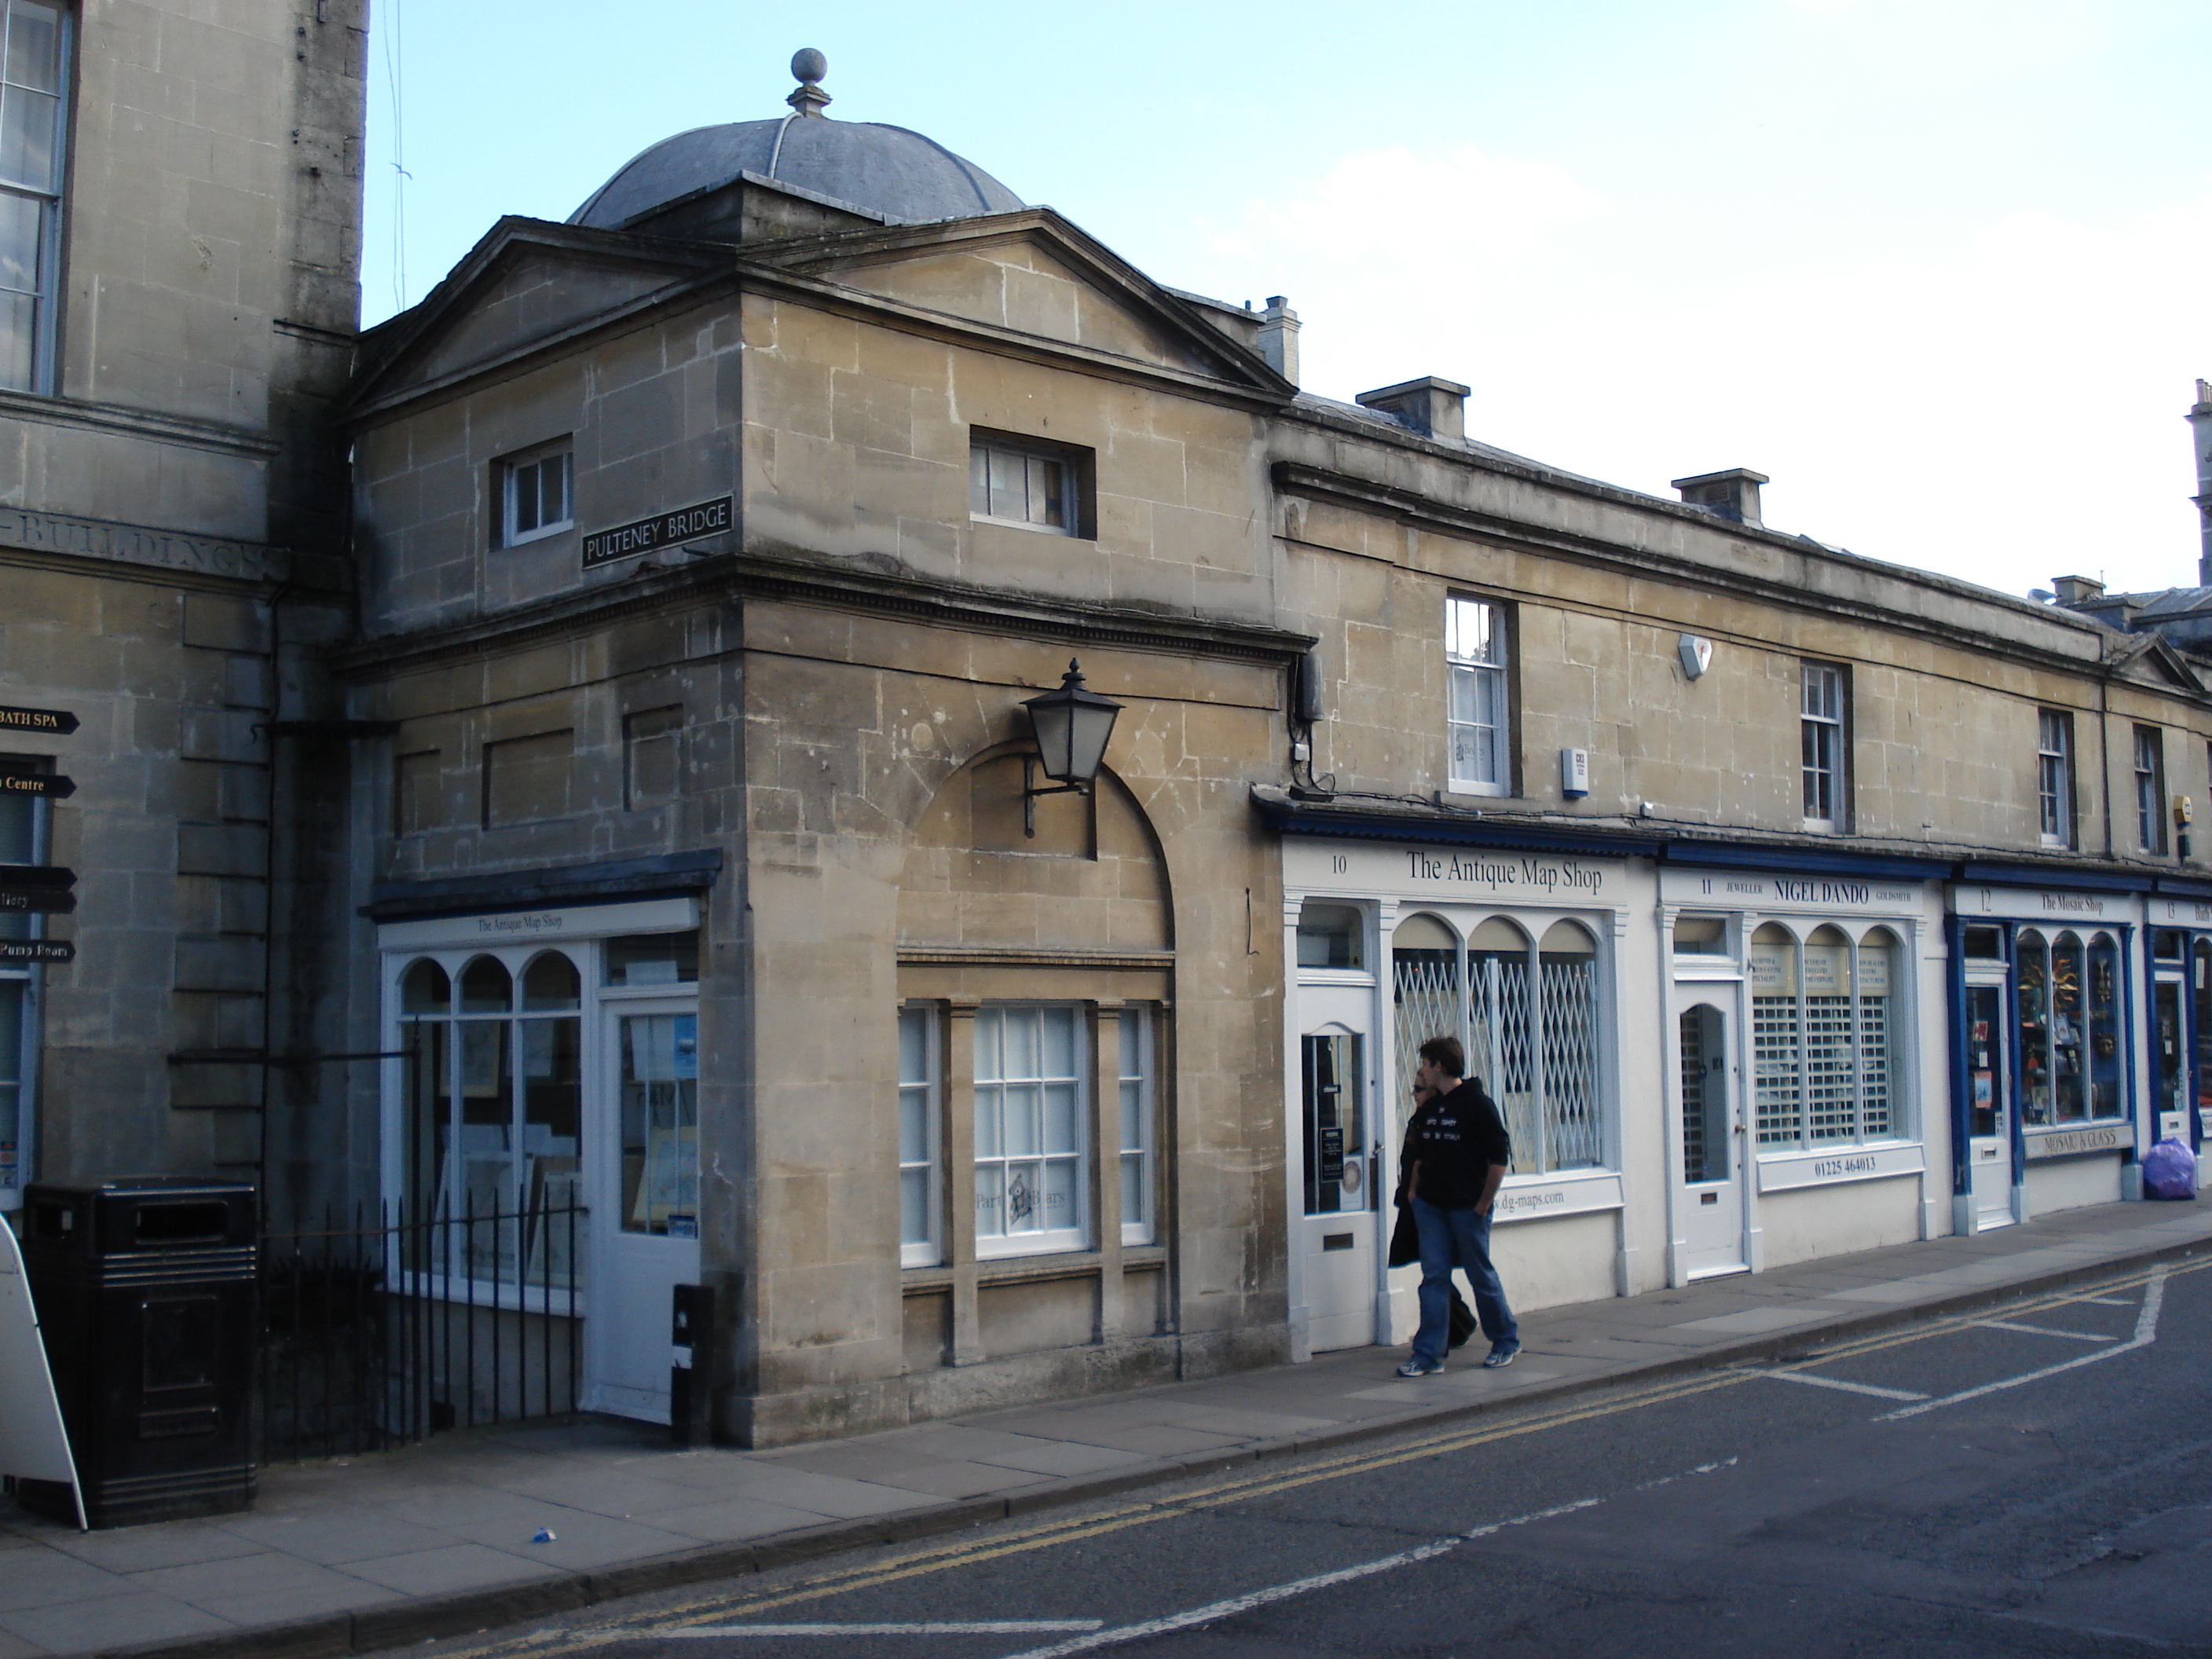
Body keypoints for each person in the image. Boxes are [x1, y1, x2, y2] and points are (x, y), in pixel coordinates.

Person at [1396, 1035, 1519, 1376]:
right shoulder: (1433, 1106)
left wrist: (1483, 1204)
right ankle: (1429, 1355)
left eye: (1425, 1064)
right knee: (1433, 1278)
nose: (1422, 1070)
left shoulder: (1477, 1105)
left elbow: (1498, 1159)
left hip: (1468, 1207)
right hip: (1431, 1207)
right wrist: (1415, 1191)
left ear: (1439, 1066)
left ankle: (1505, 1340)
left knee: (1481, 1275)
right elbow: (1420, 1152)